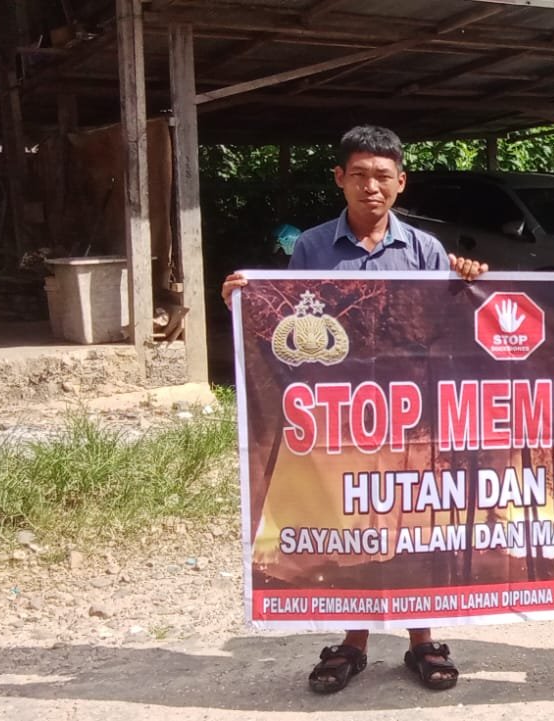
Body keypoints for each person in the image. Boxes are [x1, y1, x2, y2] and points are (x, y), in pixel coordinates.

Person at [221, 125, 487, 695]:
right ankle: (354, 641)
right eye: (360, 174)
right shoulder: (312, 248)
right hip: (339, 415)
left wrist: (467, 280)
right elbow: (289, 322)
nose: (372, 186)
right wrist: (245, 300)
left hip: (409, 412)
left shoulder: (425, 250)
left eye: (383, 176)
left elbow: (448, 325)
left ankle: (423, 640)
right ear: (340, 178)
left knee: (411, 522)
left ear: (401, 182)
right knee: (349, 522)